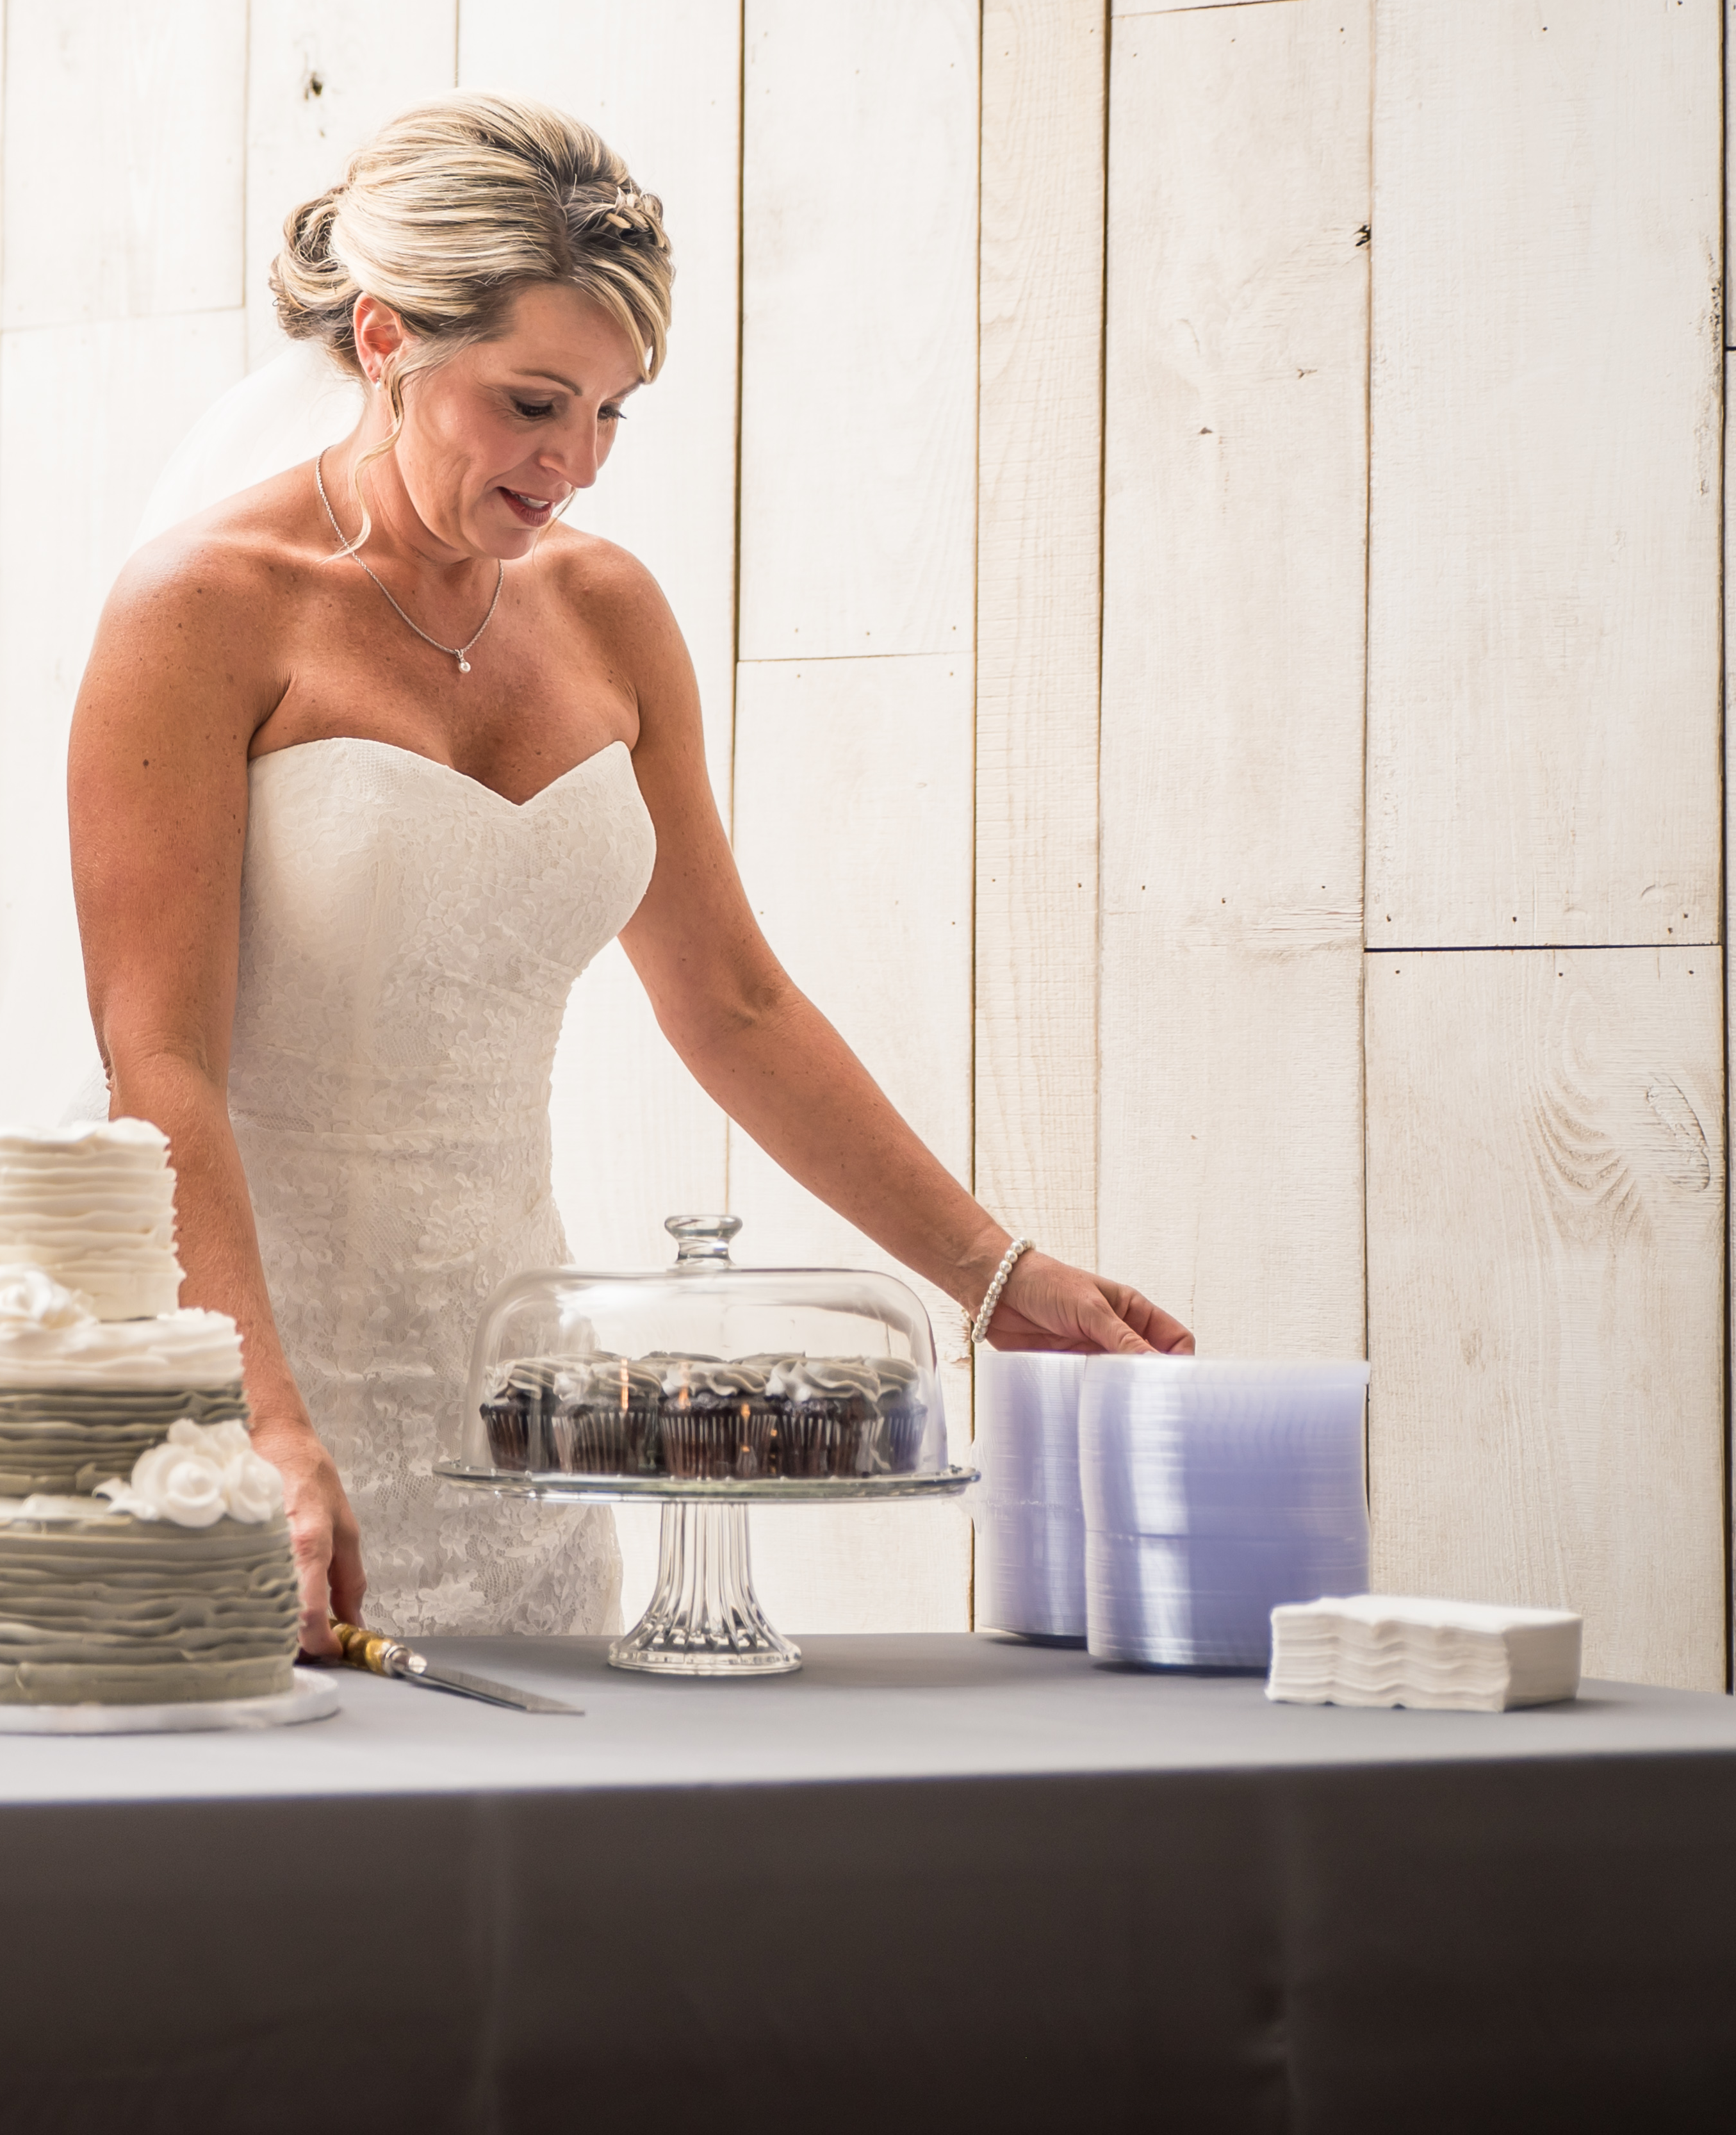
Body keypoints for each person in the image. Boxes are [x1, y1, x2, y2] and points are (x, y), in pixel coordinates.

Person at [68, 92, 1192, 1651]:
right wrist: (255, 1419)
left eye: (611, 412)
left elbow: (732, 1001)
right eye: (532, 403)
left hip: (520, 1414)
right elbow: (157, 1064)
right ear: (383, 339)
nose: (574, 464)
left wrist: (996, 1278)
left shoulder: (608, 614)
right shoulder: (201, 608)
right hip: (249, 1381)